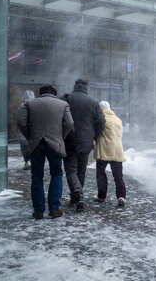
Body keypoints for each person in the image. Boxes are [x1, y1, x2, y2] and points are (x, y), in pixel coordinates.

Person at [17, 85, 74, 220]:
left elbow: (21, 122)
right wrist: (61, 136)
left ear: (40, 93)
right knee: (56, 174)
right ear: (55, 94)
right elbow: (70, 123)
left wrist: (30, 136)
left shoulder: (30, 104)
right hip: (55, 144)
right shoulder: (63, 104)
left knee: (36, 176)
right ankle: (54, 208)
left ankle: (38, 211)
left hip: (36, 144)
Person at [62, 79, 105, 212]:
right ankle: (77, 196)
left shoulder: (65, 99)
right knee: (81, 171)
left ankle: (77, 195)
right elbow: (101, 122)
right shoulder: (93, 102)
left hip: (68, 140)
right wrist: (94, 135)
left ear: (74, 86)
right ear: (87, 88)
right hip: (86, 142)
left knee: (70, 170)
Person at [93, 101, 127, 207]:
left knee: (101, 174)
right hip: (117, 149)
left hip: (104, 149)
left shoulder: (100, 119)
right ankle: (121, 196)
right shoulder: (117, 119)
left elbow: (96, 133)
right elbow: (120, 134)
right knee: (118, 175)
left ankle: (101, 196)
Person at [18, 90, 35, 170]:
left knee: (24, 145)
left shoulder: (22, 106)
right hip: (34, 130)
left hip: (24, 130)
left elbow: (20, 119)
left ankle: (27, 161)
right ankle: (32, 161)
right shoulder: (36, 106)